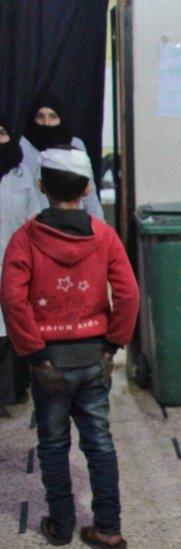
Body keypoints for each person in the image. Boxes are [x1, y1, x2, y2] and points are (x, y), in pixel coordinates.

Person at [0, 147, 139, 548]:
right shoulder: (104, 236)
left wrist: (35, 354)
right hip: (93, 358)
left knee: (53, 444)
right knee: (99, 442)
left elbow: (12, 298)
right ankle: (109, 528)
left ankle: (61, 526)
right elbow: (128, 294)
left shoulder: (25, 238)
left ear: (42, 187)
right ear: (87, 187)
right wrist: (112, 344)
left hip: (49, 363)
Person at [0, 121, 39, 409]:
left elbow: (33, 221)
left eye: (2, 133)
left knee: (12, 328)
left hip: (13, 261)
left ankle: (12, 391)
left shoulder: (22, 175)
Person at [21, 96, 105, 220]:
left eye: (52, 117)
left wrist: (100, 229)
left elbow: (89, 194)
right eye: (40, 117)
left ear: (61, 118)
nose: (46, 123)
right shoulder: (23, 147)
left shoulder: (75, 146)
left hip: (74, 224)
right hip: (37, 227)